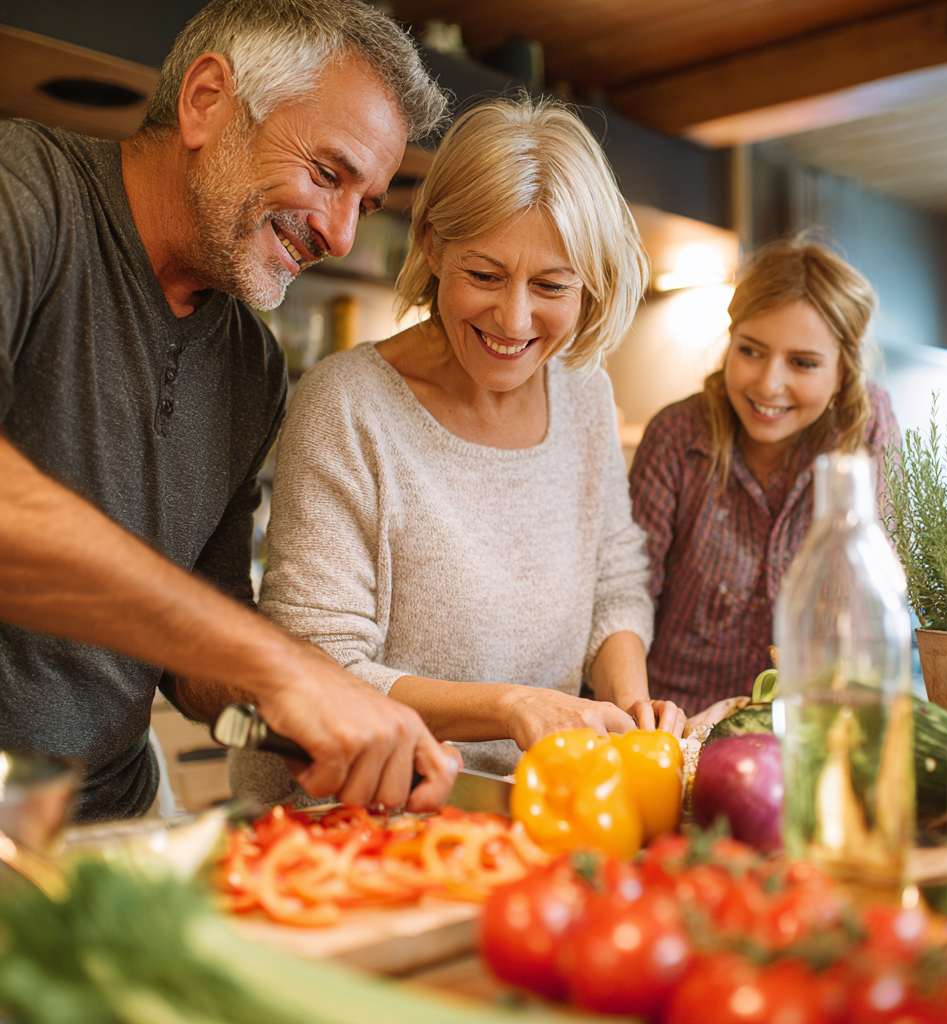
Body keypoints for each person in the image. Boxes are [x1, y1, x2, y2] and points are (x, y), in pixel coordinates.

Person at [0, 0, 460, 822]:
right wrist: (277, 666)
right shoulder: (23, 194)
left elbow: (195, 654)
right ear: (207, 100)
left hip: (111, 820)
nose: (343, 236)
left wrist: (302, 705)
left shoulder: (253, 365)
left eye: (368, 202)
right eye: (328, 173)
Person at [231, 96, 685, 806]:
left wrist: (634, 711)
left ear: (590, 283)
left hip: (525, 810)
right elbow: (319, 664)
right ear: (434, 248)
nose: (513, 319)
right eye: (485, 274)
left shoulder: (586, 397)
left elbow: (615, 584)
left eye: (551, 285)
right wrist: (512, 707)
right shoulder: (348, 406)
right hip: (346, 817)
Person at [629, 240, 900, 712]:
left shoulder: (865, 424)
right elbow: (627, 597)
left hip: (803, 724)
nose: (769, 384)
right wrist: (636, 713)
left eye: (803, 363)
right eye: (751, 351)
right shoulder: (677, 435)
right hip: (673, 724)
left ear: (842, 371)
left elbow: (873, 596)